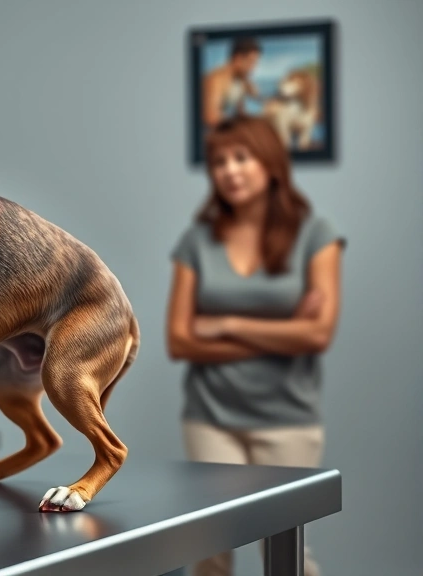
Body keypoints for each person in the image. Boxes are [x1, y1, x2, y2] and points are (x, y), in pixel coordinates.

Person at [165, 115, 344, 576]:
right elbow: (179, 341)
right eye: (219, 161)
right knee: (210, 548)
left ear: (270, 163)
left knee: (285, 552)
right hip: (210, 417)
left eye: (241, 157)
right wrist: (284, 332)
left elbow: (317, 335)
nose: (229, 170)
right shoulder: (196, 241)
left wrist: (225, 323)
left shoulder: (316, 234)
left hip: (288, 421)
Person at [202, 37, 262, 130]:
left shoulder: (240, 81)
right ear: (238, 59)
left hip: (223, 130)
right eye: (251, 62)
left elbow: (240, 113)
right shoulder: (217, 79)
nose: (253, 68)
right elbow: (210, 117)